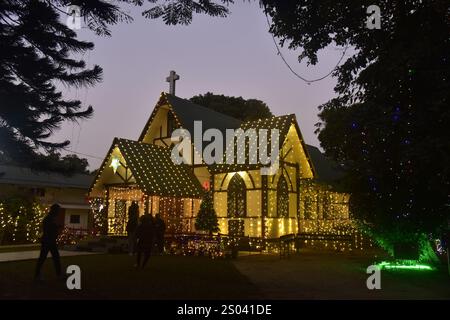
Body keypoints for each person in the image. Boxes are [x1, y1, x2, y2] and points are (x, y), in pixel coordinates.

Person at [34, 203, 62, 280]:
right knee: (44, 258)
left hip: (50, 241)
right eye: (58, 211)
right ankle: (37, 274)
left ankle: (58, 274)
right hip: (48, 241)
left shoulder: (51, 218)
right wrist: (55, 228)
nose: (58, 212)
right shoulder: (49, 219)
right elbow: (48, 230)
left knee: (53, 258)